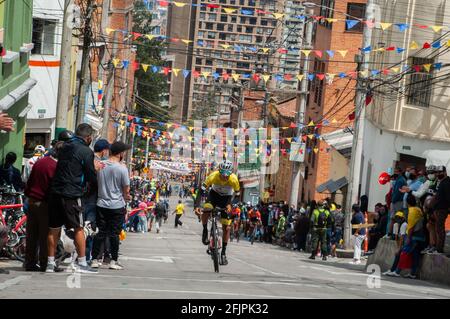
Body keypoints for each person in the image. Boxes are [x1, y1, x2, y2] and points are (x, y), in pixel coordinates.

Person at [47, 124, 97, 273]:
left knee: (54, 228)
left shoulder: (62, 147)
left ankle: (50, 262)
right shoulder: (86, 151)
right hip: (73, 193)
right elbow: (90, 175)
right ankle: (81, 262)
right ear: (88, 137)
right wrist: (92, 189)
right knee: (78, 227)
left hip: (55, 191)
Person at [91, 141, 131, 270]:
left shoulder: (101, 165)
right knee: (114, 234)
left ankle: (95, 259)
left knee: (100, 232)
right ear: (120, 153)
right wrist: (127, 197)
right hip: (117, 205)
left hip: (101, 203)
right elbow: (126, 190)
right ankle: (113, 260)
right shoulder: (122, 168)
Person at [24, 142, 63, 271]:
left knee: (32, 234)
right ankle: (45, 263)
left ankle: (29, 262)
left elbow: (29, 181)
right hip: (44, 203)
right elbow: (53, 188)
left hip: (32, 201)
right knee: (44, 235)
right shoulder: (55, 166)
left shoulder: (40, 162)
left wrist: (28, 196)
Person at [197, 160, 240, 266]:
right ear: (219, 171)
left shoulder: (234, 179)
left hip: (226, 199)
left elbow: (238, 195)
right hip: (214, 196)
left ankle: (223, 254)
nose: (225, 176)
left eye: (227, 174)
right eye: (222, 173)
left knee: (227, 227)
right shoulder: (213, 176)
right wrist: (197, 205)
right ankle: (205, 231)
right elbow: (201, 191)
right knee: (207, 208)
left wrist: (232, 204)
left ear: (231, 173)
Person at [384, 194, 425, 278]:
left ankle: (397, 271)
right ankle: (413, 273)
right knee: (415, 256)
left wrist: (408, 238)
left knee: (404, 253)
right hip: (420, 236)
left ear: (407, 203)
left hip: (414, 236)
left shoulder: (412, 211)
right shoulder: (418, 209)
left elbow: (411, 227)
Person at [84, 139, 110, 263]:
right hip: (94, 199)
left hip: (81, 197)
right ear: (104, 150)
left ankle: (78, 255)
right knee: (90, 229)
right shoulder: (102, 163)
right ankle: (86, 257)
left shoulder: (87, 158)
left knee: (80, 227)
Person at [433, 166, 450, 254]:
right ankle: (438, 248)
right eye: (437, 172)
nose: (438, 174)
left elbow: (448, 197)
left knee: (440, 229)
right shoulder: (443, 182)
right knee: (438, 229)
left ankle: (440, 249)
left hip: (442, 209)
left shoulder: (446, 182)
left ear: (444, 172)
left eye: (440, 172)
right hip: (439, 208)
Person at [389, 168, 407, 235]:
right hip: (398, 201)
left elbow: (397, 192)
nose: (395, 173)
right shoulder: (400, 179)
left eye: (396, 171)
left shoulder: (400, 180)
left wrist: (393, 201)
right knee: (395, 218)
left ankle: (391, 234)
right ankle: (392, 234)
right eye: (394, 171)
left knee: (394, 218)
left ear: (400, 172)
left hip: (397, 202)